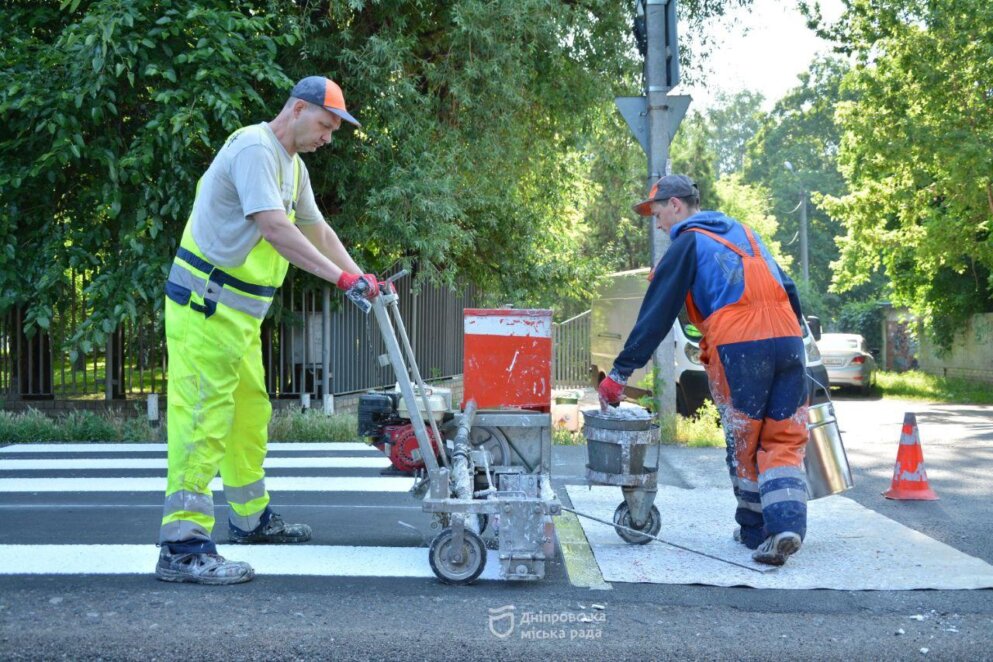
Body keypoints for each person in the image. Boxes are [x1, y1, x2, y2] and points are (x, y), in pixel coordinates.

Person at [155, 76, 380, 585]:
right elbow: (277, 229)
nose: (328, 137)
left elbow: (316, 227)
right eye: (325, 125)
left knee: (248, 417)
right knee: (202, 422)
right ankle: (182, 547)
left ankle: (250, 521)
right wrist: (340, 278)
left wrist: (358, 276)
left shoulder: (292, 167)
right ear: (297, 110)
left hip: (238, 319)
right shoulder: (255, 147)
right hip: (204, 310)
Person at [598, 174, 810, 566]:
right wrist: (796, 345)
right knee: (784, 439)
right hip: (789, 339)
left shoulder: (688, 242)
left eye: (657, 212)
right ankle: (787, 527)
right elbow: (789, 287)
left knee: (744, 440)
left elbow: (658, 311)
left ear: (676, 205)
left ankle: (755, 531)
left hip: (741, 346)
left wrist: (621, 373)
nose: (658, 222)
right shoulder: (747, 233)